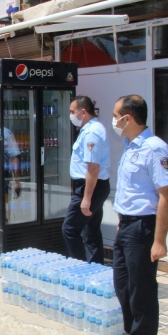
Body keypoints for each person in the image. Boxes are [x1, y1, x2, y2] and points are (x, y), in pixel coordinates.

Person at [109, 95, 168, 335]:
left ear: (128, 118)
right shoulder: (130, 145)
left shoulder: (155, 150)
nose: (113, 121)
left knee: (142, 290)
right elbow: (133, 191)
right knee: (123, 285)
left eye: (115, 116)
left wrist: (159, 240)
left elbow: (167, 196)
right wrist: (122, 218)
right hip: (126, 225)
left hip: (142, 229)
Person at [62, 96, 110, 264]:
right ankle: (95, 268)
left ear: (83, 112)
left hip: (90, 187)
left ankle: (79, 268)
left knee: (70, 229)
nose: (71, 115)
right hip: (95, 186)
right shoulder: (90, 129)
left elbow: (93, 167)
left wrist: (86, 198)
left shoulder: (91, 132)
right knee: (91, 229)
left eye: (72, 112)